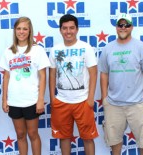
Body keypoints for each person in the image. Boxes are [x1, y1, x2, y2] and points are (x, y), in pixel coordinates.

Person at [98, 13, 143, 155]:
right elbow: (104, 74)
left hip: (138, 104)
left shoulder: (142, 47)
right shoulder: (107, 49)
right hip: (113, 105)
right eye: (120, 25)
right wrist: (105, 99)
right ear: (116, 27)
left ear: (132, 27)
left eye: (126, 25)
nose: (123, 28)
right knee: (114, 143)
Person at [0, 17, 50, 155]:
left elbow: (43, 76)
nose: (21, 32)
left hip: (32, 100)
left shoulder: (37, 50)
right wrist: (4, 100)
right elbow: (6, 76)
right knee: (20, 135)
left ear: (29, 31)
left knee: (33, 134)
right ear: (15, 30)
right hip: (14, 101)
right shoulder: (8, 51)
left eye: (25, 29)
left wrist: (40, 99)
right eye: (19, 29)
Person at [48, 14, 98, 155]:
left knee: (88, 138)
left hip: (83, 101)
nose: (68, 31)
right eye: (65, 28)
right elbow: (52, 74)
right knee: (64, 137)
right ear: (60, 30)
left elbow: (94, 73)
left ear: (77, 29)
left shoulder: (85, 47)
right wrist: (53, 98)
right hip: (62, 101)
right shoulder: (55, 50)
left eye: (71, 28)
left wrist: (90, 98)